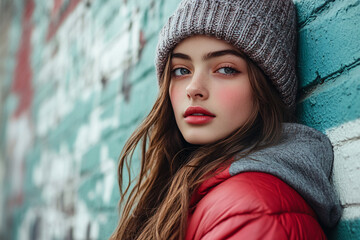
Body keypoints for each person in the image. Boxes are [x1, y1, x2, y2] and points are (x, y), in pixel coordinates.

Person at [111, 0, 342, 239]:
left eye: (226, 69)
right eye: (181, 70)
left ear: (267, 87)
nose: (193, 88)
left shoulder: (253, 212)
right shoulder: (190, 189)